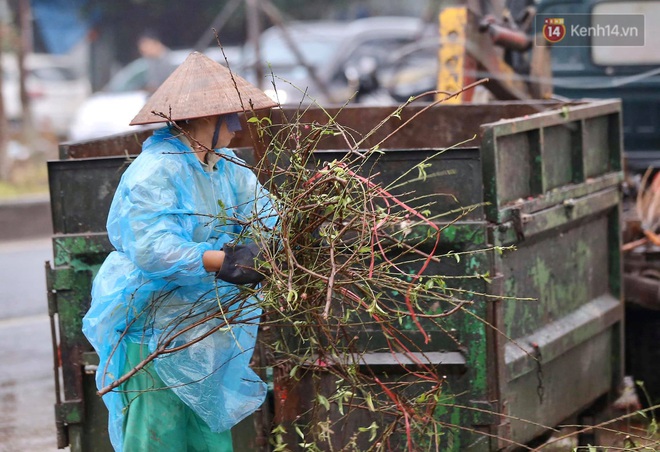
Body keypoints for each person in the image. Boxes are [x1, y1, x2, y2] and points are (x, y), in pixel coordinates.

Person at [82, 51, 278, 451]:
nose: (237, 127)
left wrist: (280, 244)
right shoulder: (157, 171)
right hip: (155, 326)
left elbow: (266, 214)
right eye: (231, 116)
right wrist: (220, 260)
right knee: (159, 433)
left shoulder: (225, 166)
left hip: (203, 326)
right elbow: (152, 248)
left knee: (208, 435)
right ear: (208, 118)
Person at [137, 29, 172, 94]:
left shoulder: (171, 61)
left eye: (146, 49)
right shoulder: (151, 62)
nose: (145, 54)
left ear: (156, 44)